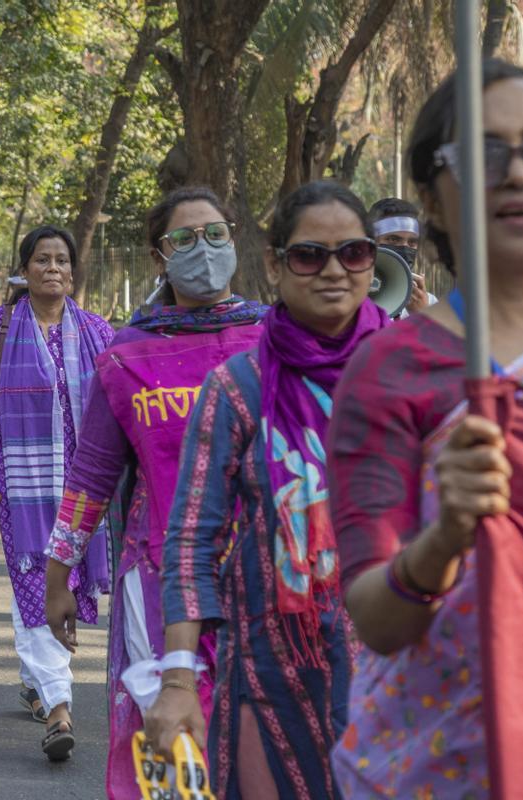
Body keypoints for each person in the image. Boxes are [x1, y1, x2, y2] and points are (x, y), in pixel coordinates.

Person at [328, 60, 523, 799]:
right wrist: (445, 536)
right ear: (434, 202)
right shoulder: (390, 370)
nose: (519, 173)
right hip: (432, 767)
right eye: (484, 154)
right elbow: (376, 621)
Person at [144, 180, 388, 799]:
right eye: (310, 255)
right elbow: (192, 540)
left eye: (353, 253)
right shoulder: (238, 388)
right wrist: (177, 680)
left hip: (394, 671)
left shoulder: (408, 374)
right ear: (276, 264)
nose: (334, 270)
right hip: (269, 675)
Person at [43, 188, 268, 795]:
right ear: (158, 256)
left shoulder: (274, 341)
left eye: (216, 234)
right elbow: (90, 475)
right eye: (185, 239)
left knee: (266, 744)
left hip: (270, 577)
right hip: (159, 584)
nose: (204, 249)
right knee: (176, 753)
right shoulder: (128, 355)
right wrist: (58, 576)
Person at [0, 225, 114, 762]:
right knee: (36, 582)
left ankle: (33, 677)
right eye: (43, 259)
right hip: (22, 489)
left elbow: (120, 406)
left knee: (58, 586)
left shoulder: (97, 331)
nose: (54, 268)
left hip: (87, 492)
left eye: (63, 260)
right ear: (26, 268)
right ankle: (60, 707)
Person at [369, 197, 437, 317]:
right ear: (370, 241)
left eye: (412, 242)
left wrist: (422, 316)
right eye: (393, 239)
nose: (405, 248)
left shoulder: (428, 303)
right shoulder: (350, 301)